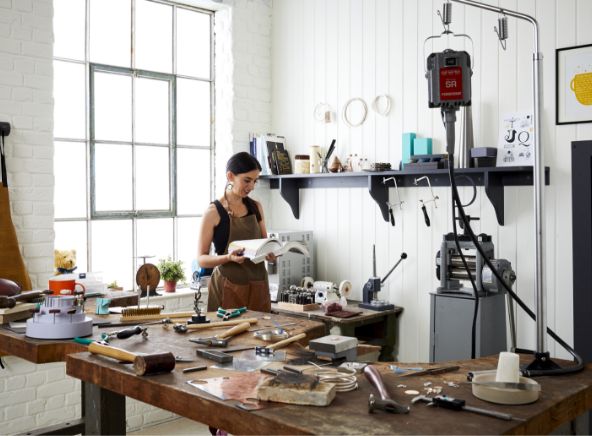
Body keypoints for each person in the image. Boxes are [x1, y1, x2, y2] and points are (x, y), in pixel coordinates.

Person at [197, 151, 275, 312]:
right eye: (247, 180)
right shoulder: (213, 212)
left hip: (258, 284)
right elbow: (202, 259)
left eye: (255, 181)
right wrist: (228, 258)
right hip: (228, 286)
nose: (252, 187)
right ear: (230, 176)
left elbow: (264, 244)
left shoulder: (256, 207)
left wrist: (271, 254)